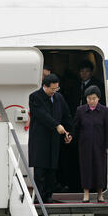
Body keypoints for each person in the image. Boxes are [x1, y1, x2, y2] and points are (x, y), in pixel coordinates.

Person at [28, 74, 73, 203]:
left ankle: (48, 195)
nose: (54, 91)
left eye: (56, 89)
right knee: (40, 168)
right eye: (52, 89)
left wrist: (69, 132)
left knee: (52, 169)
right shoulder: (35, 97)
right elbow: (42, 115)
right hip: (40, 139)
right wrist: (56, 125)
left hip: (54, 139)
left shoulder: (59, 98)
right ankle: (39, 197)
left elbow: (66, 115)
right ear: (45, 86)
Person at [73, 85, 108, 203]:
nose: (91, 101)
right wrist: (70, 135)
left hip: (100, 146)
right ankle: (86, 194)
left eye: (94, 98)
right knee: (86, 168)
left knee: (100, 169)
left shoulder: (104, 111)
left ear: (98, 98)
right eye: (89, 98)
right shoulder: (80, 110)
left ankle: (100, 194)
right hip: (85, 145)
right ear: (86, 99)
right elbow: (75, 127)